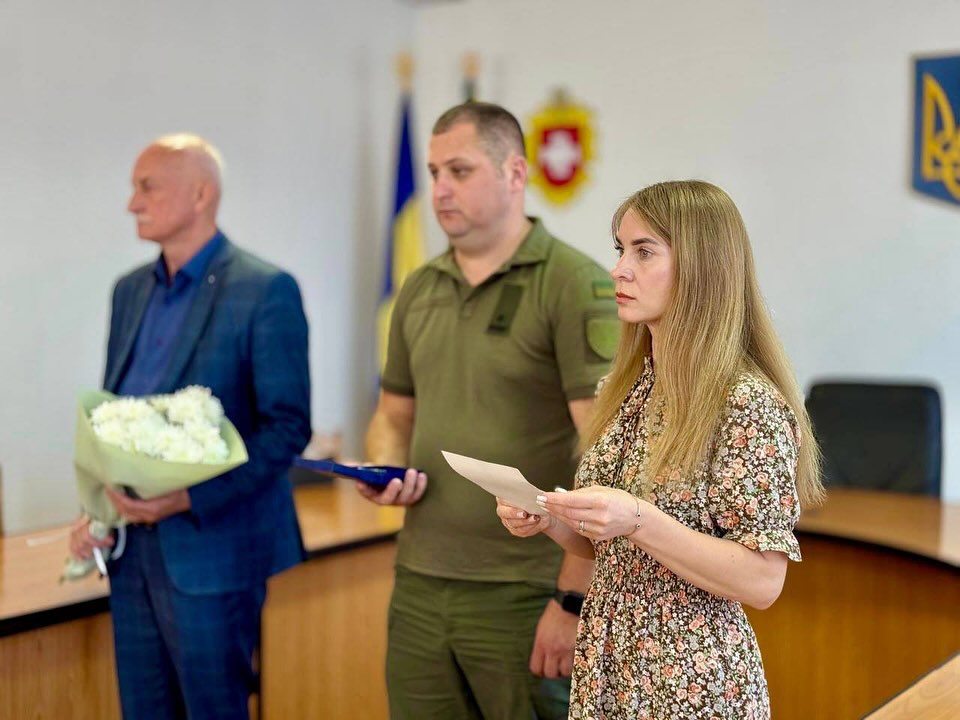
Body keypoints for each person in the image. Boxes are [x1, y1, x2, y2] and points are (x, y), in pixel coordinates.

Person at [497, 180, 824, 720]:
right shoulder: (624, 389)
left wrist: (637, 518)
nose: (619, 270)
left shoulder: (746, 404)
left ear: (701, 267)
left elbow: (763, 581)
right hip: (610, 666)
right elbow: (613, 549)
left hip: (690, 680)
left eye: (643, 252)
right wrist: (549, 518)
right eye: (620, 249)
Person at [359, 102, 620, 720]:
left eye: (460, 170)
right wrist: (383, 469)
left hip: (526, 587)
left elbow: (609, 455)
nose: (440, 190)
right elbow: (393, 416)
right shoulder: (419, 287)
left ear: (514, 173)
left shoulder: (574, 284)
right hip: (422, 579)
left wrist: (572, 600)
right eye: (433, 173)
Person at [69, 134, 311, 720]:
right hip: (132, 552)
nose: (132, 203)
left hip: (214, 553)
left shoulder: (264, 289)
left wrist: (186, 497)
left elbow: (287, 429)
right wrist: (95, 507)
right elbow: (114, 422)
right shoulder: (129, 291)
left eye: (146, 187)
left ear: (201, 194)